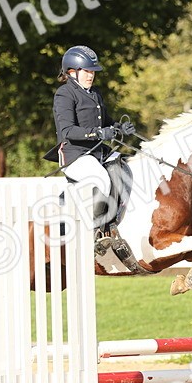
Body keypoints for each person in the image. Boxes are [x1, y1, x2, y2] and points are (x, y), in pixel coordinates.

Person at [47, 45, 136, 253]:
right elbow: (68, 130)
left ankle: (111, 224)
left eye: (92, 71)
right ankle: (93, 234)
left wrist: (118, 127)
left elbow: (105, 121)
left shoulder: (95, 93)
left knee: (124, 167)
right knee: (101, 178)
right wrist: (99, 133)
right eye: (87, 71)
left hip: (96, 152)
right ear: (72, 71)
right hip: (74, 154)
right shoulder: (64, 94)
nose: (91, 75)